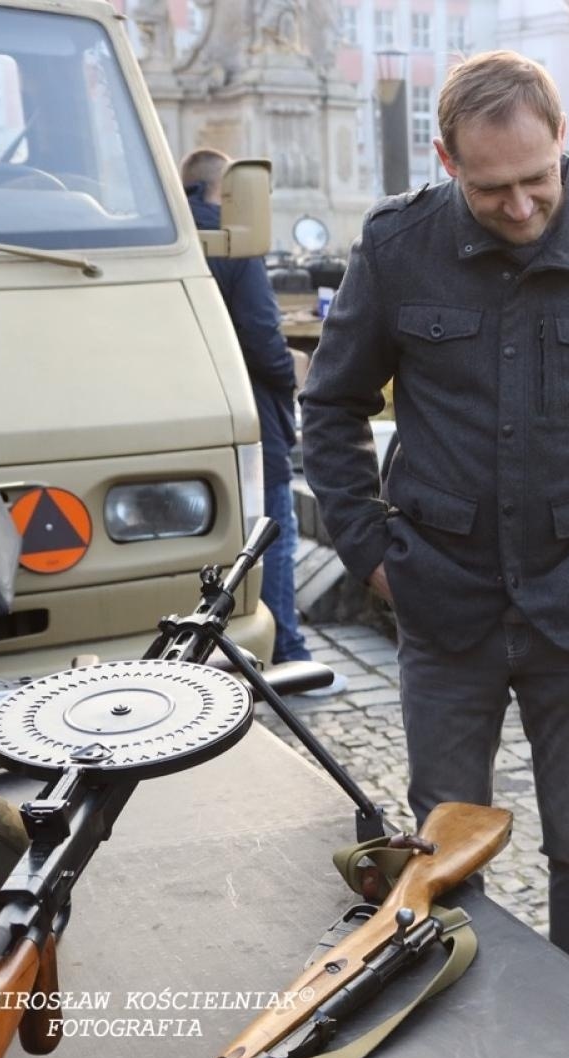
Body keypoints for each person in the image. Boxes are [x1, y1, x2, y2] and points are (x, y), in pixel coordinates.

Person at [300, 51, 569, 981]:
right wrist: (371, 553)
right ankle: (460, 1022)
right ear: (447, 161)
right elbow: (330, 408)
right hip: (442, 603)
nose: (523, 208)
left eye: (538, 180)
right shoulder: (398, 247)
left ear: (563, 140)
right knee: (443, 848)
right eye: (493, 190)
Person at [181, 147, 346, 696]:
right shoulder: (234, 243)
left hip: (194, 416)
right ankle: (287, 658)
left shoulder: (173, 240)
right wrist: (292, 373)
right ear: (226, 193)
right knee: (272, 532)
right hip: (251, 417)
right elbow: (261, 335)